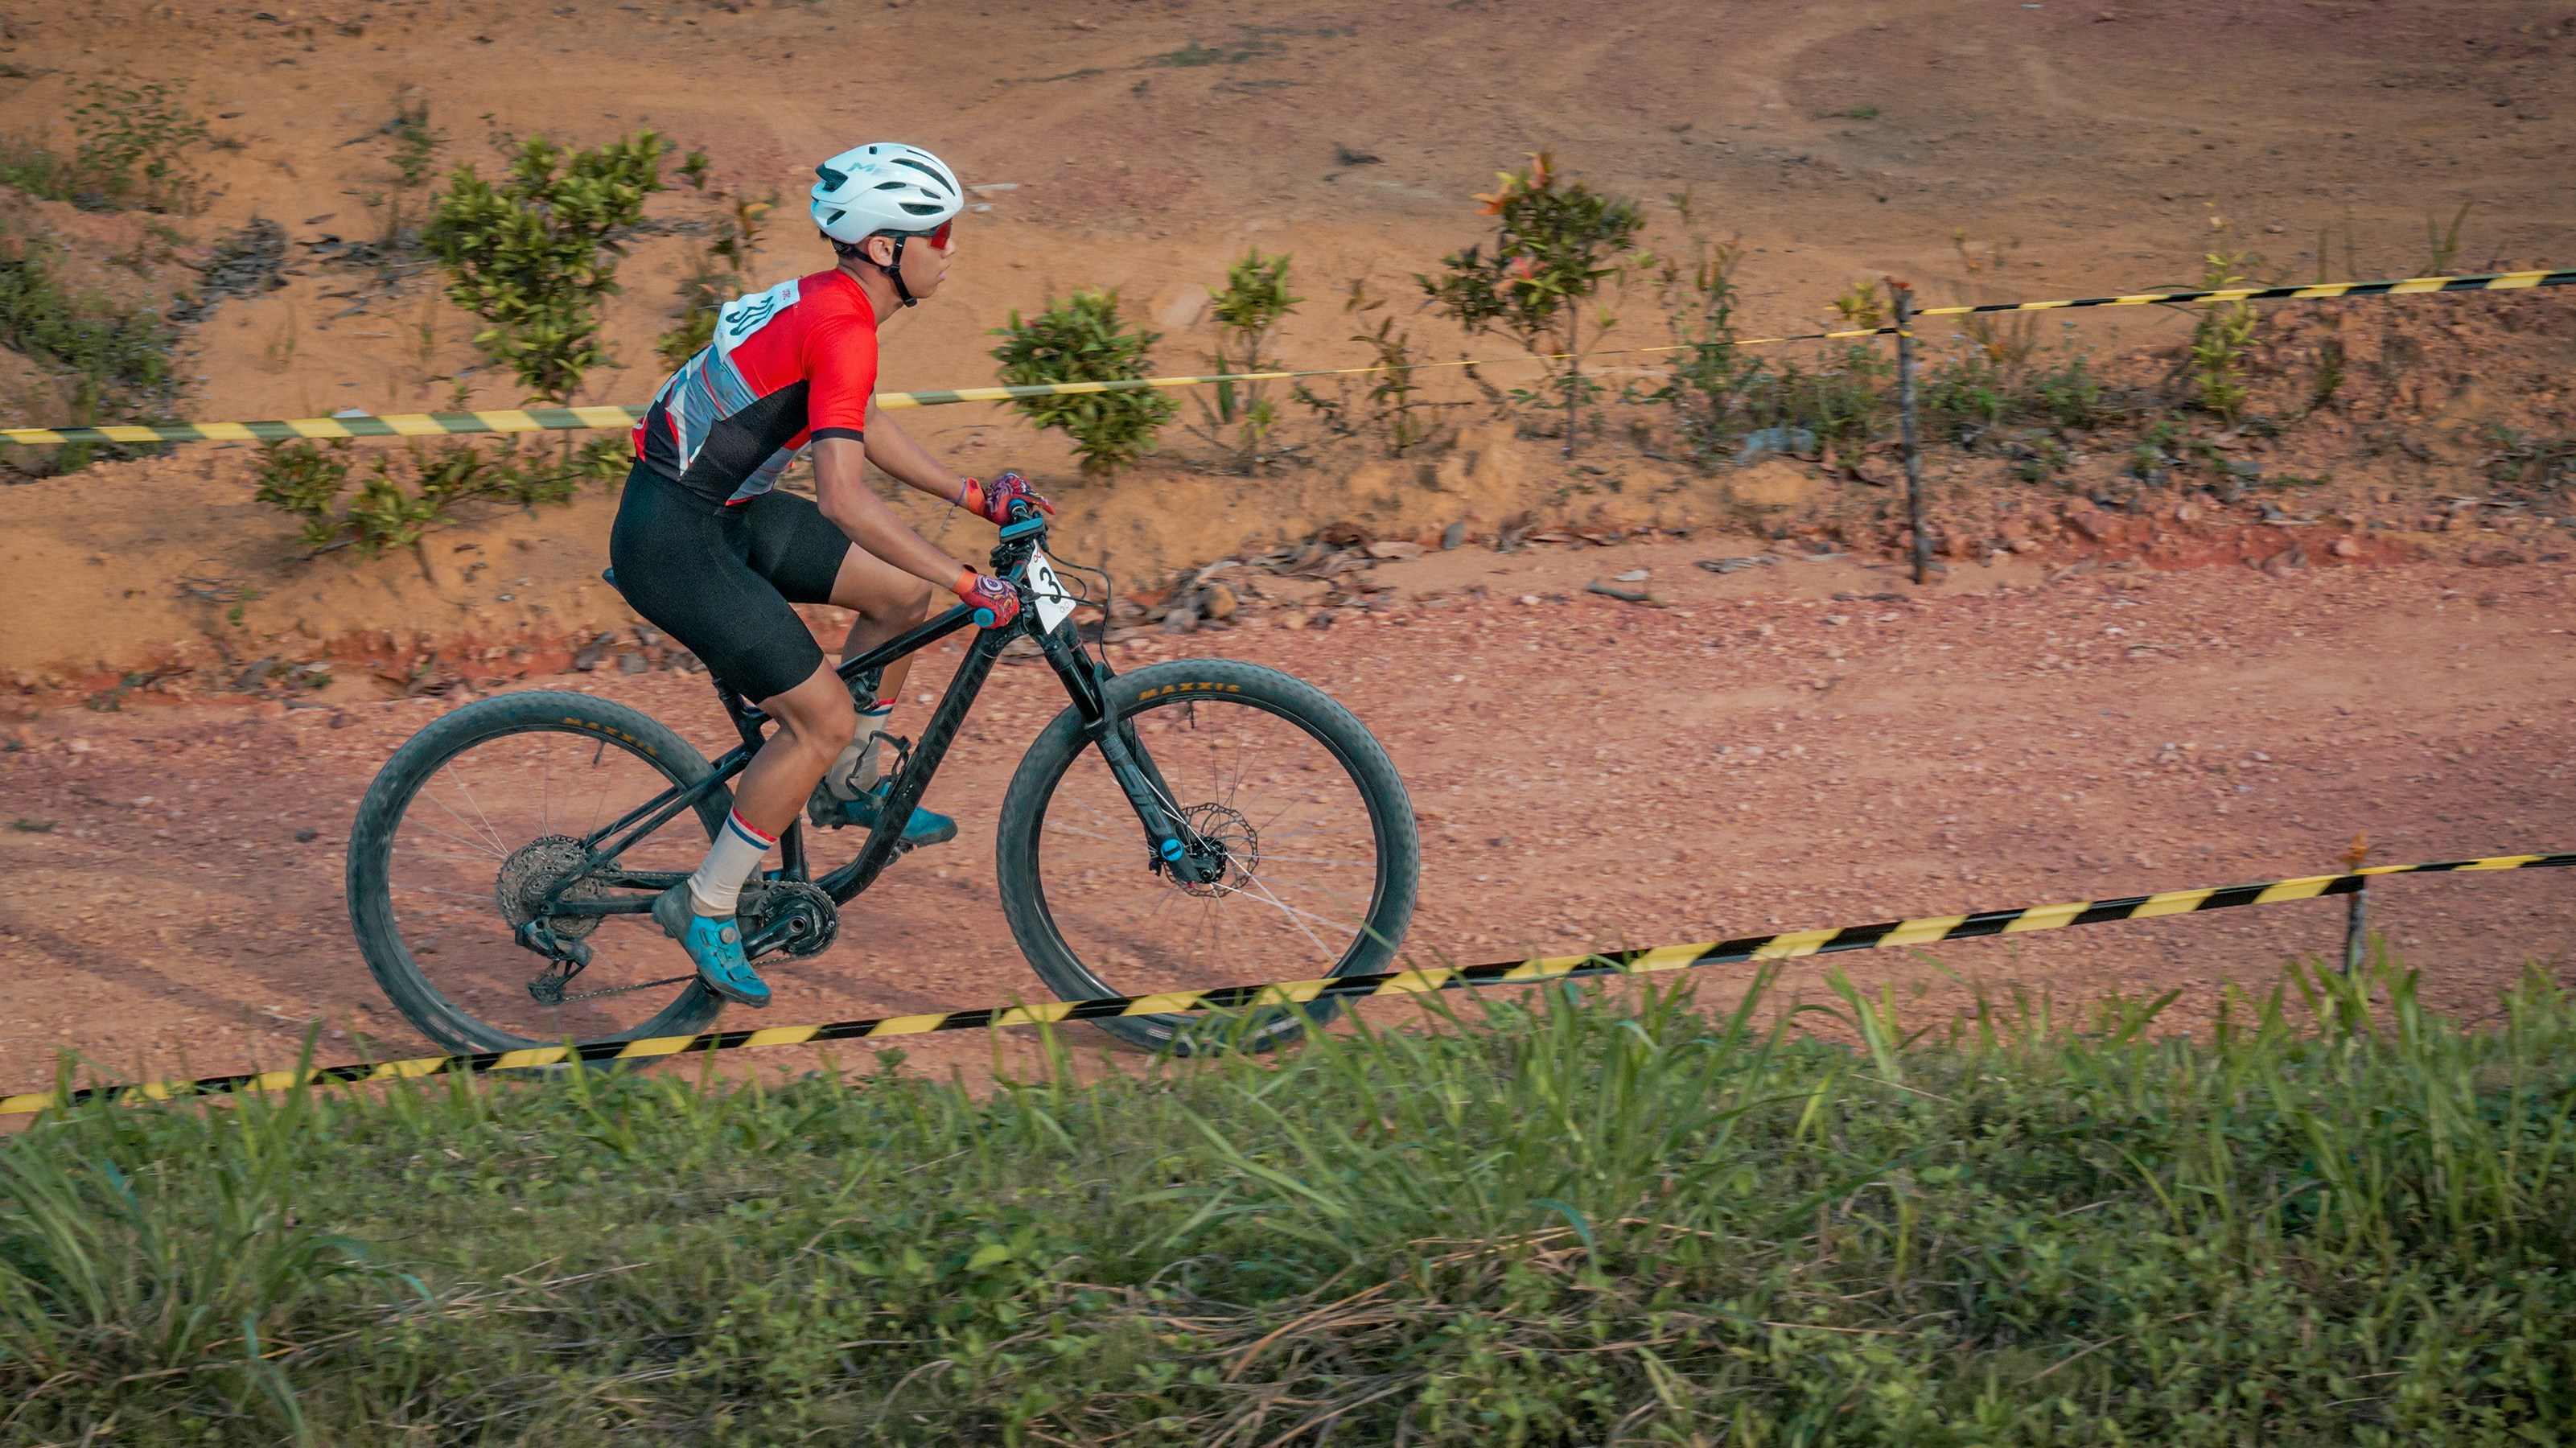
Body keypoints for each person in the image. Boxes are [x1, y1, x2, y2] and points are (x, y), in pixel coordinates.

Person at [607, 142, 1051, 1009]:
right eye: (939, 233)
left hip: (718, 507)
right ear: (887, 248)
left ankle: (851, 780)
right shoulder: (843, 323)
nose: (950, 248)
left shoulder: (832, 303)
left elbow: (860, 423)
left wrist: (973, 497)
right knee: (818, 714)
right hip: (677, 537)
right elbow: (844, 499)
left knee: (898, 595)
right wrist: (973, 583)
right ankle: (704, 903)